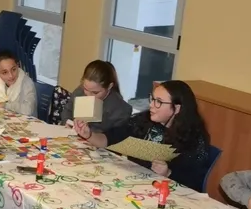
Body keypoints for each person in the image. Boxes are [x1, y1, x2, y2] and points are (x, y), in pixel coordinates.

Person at [74, 80, 211, 191]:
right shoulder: (143, 121)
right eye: (152, 99)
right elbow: (110, 139)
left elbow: (194, 183)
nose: (151, 105)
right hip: (134, 185)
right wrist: (89, 135)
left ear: (177, 108)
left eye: (159, 102)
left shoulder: (193, 137)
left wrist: (168, 173)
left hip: (167, 196)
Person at [59, 60, 133, 133]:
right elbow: (68, 110)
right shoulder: (80, 91)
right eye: (86, 89)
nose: (88, 95)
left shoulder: (120, 109)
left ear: (109, 86)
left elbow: (114, 137)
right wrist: (67, 121)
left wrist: (89, 133)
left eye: (95, 92)